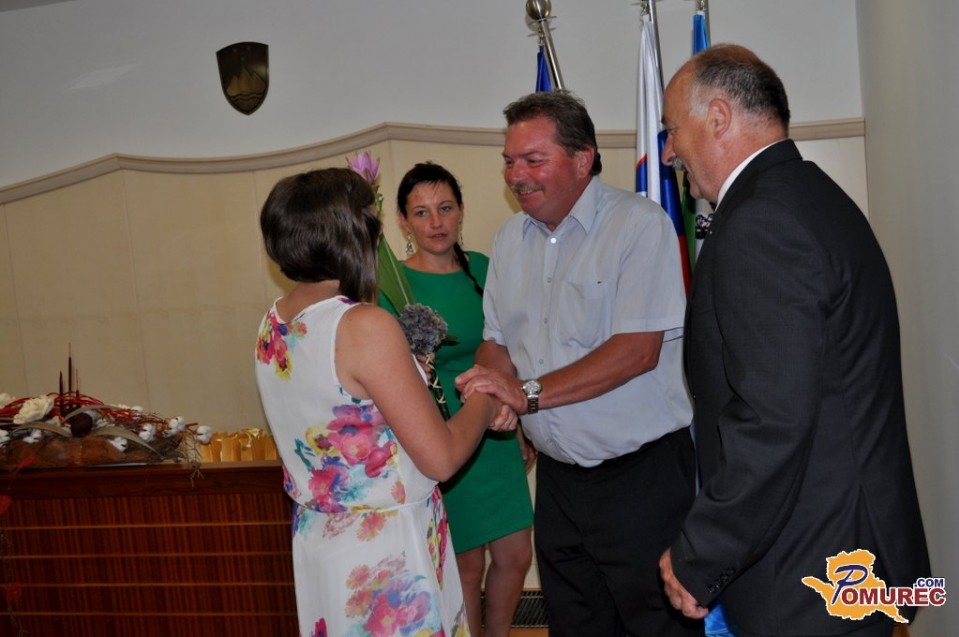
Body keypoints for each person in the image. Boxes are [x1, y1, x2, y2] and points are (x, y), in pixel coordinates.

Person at [658, 44, 931, 637]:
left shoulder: (762, 222)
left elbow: (773, 422)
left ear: (719, 117)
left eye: (672, 129)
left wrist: (699, 553)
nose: (668, 152)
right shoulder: (812, 196)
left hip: (809, 568)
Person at [457, 91, 702, 636]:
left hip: (641, 479)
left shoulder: (638, 225)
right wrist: (492, 385)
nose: (516, 175)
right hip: (559, 485)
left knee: (660, 627)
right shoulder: (509, 240)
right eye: (509, 161)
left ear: (583, 158)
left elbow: (637, 351)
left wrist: (525, 394)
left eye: (533, 160)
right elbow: (497, 342)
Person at [253, 167, 518, 637]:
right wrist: (486, 390)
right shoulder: (363, 325)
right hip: (385, 548)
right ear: (353, 233)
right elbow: (440, 457)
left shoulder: (274, 322)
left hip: (323, 540)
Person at [379, 161, 534, 637]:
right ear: (403, 221)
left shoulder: (484, 268)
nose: (436, 222)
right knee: (465, 562)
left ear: (461, 211)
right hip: (443, 436)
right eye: (421, 212)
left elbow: (510, 350)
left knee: (516, 554)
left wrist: (520, 422)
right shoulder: (392, 287)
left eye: (445, 208)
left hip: (497, 431)